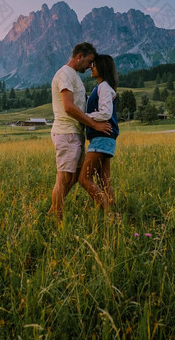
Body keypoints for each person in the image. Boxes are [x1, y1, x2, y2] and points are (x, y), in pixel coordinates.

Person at [49, 43, 112, 219]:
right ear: (80, 56)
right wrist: (94, 124)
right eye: (89, 61)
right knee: (63, 179)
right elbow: (68, 107)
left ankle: (54, 211)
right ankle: (57, 221)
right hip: (66, 133)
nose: (90, 66)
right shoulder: (65, 74)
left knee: (76, 176)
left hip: (73, 133)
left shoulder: (73, 76)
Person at [79, 54, 119, 211]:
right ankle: (112, 213)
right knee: (103, 181)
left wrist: (84, 117)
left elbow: (105, 113)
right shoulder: (102, 87)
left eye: (94, 65)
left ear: (102, 67)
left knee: (84, 178)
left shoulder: (104, 88)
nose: (91, 67)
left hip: (101, 139)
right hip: (107, 139)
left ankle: (109, 212)